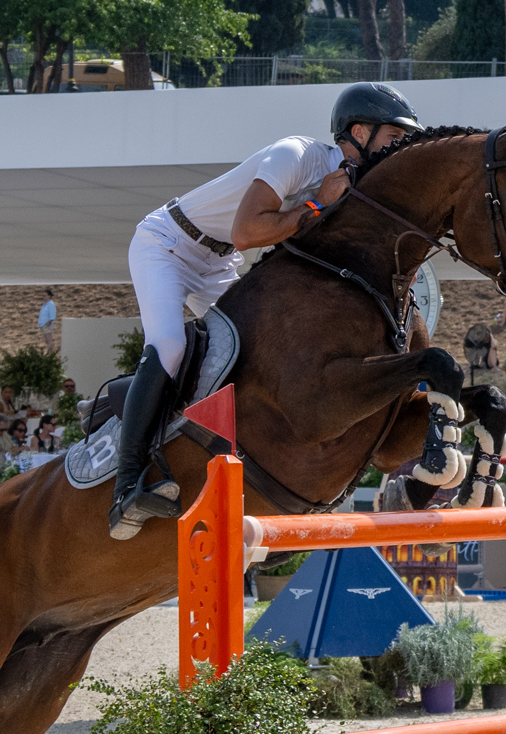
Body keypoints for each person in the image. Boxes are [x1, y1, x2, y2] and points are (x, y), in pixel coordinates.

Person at [112, 82, 421, 539]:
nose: (400, 148)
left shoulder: (356, 186)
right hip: (169, 243)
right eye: (393, 138)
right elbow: (246, 231)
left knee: (254, 353)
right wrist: (320, 204)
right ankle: (127, 483)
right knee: (172, 345)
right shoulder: (295, 154)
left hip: (217, 262)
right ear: (358, 131)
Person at [37, 288, 59, 354]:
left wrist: (50, 320)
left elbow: (52, 313)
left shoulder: (50, 304)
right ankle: (50, 352)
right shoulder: (45, 304)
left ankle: (48, 354)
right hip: (43, 324)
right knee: (46, 340)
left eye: (45, 295)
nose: (43, 297)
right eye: (43, 296)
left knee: (49, 340)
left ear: (49, 296)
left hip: (47, 324)